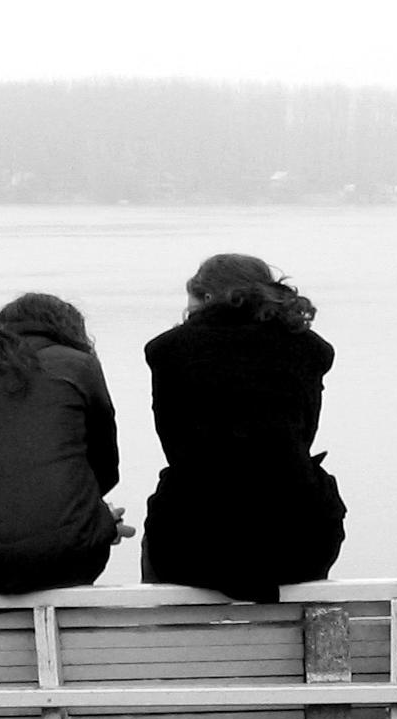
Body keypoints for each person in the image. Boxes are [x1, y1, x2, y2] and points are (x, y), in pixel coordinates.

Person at [141, 254, 346, 603]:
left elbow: (175, 445)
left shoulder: (170, 350)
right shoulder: (307, 349)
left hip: (194, 542)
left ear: (205, 298)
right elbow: (303, 436)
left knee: (171, 505)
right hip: (297, 540)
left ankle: (171, 647)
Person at [0, 293, 133, 594]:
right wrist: (90, 519)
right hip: (68, 558)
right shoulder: (78, 366)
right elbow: (105, 468)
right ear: (69, 331)